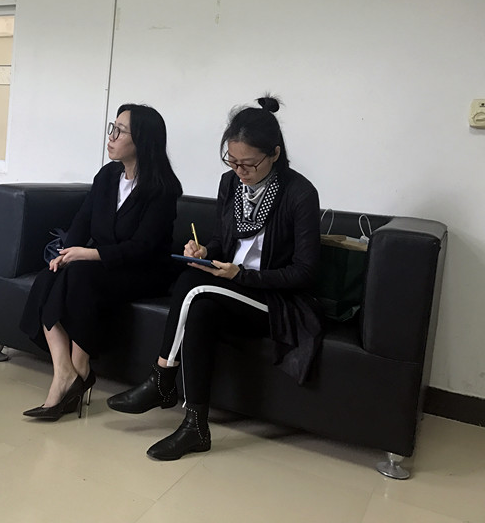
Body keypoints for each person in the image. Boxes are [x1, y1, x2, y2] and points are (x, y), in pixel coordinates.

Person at [107, 95, 322, 460]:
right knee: (199, 304)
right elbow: (224, 242)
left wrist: (242, 275)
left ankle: (161, 378)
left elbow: (305, 272)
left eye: (249, 164)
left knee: (193, 286)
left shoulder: (300, 194)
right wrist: (205, 252)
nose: (240, 171)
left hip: (275, 301)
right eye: (232, 161)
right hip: (229, 286)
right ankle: (195, 427)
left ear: (274, 153)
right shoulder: (230, 184)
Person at [20, 103, 183, 421]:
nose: (111, 136)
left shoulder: (162, 189)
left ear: (142, 140)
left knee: (82, 274)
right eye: (113, 128)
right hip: (104, 264)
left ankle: (79, 369)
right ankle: (65, 372)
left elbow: (143, 247)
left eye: (120, 131)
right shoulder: (108, 176)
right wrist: (66, 253)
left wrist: (88, 254)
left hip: (143, 270)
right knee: (50, 276)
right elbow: (82, 221)